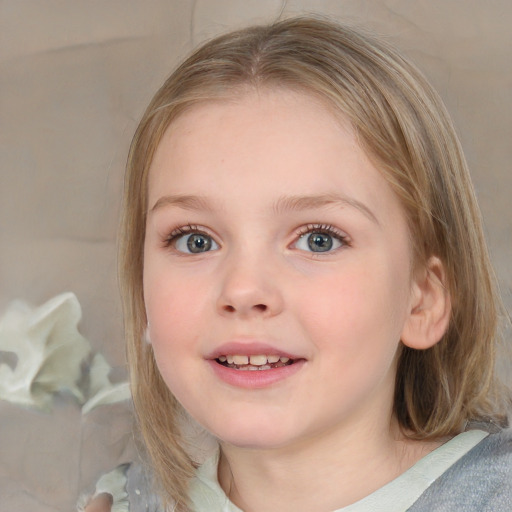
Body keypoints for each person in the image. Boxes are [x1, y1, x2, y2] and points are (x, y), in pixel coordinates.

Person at [83, 15, 511, 512]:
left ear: (423, 299)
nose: (243, 290)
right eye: (196, 241)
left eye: (319, 240)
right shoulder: (121, 502)